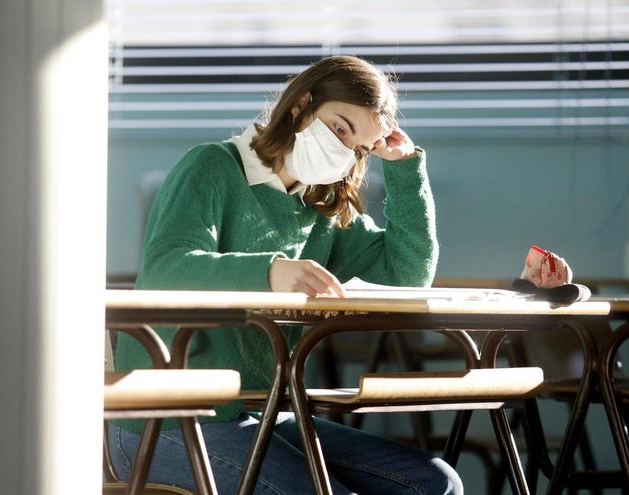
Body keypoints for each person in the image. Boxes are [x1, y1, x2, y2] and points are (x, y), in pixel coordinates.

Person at [110, 55, 461, 495]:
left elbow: (407, 274)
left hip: (261, 414)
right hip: (165, 420)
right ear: (300, 105)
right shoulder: (212, 166)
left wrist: (403, 167)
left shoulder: (321, 207)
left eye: (359, 149)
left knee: (434, 483)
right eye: (339, 128)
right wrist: (270, 270)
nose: (345, 152)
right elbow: (166, 269)